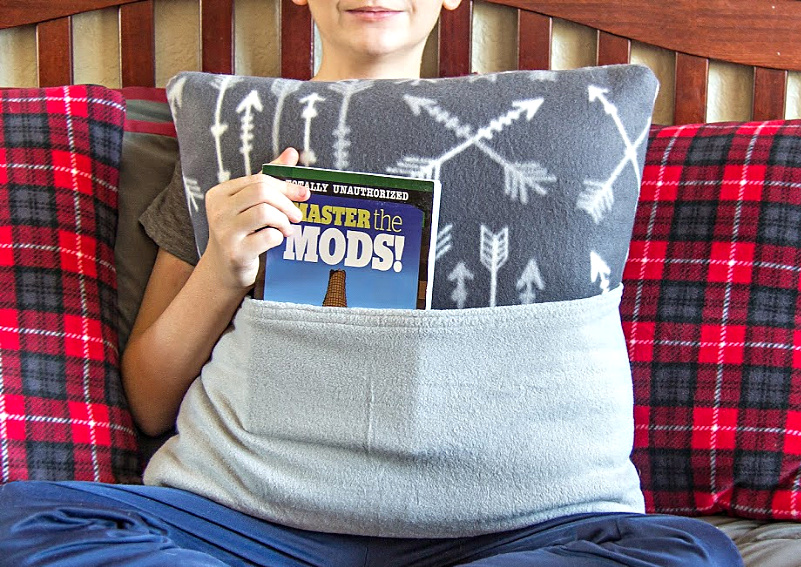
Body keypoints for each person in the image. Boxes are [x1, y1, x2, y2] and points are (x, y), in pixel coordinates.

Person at [0, 0, 745, 565]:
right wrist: (224, 268)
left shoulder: (560, 140)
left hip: (511, 532)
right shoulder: (228, 138)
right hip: (254, 523)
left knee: (692, 551)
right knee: (22, 518)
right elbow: (151, 399)